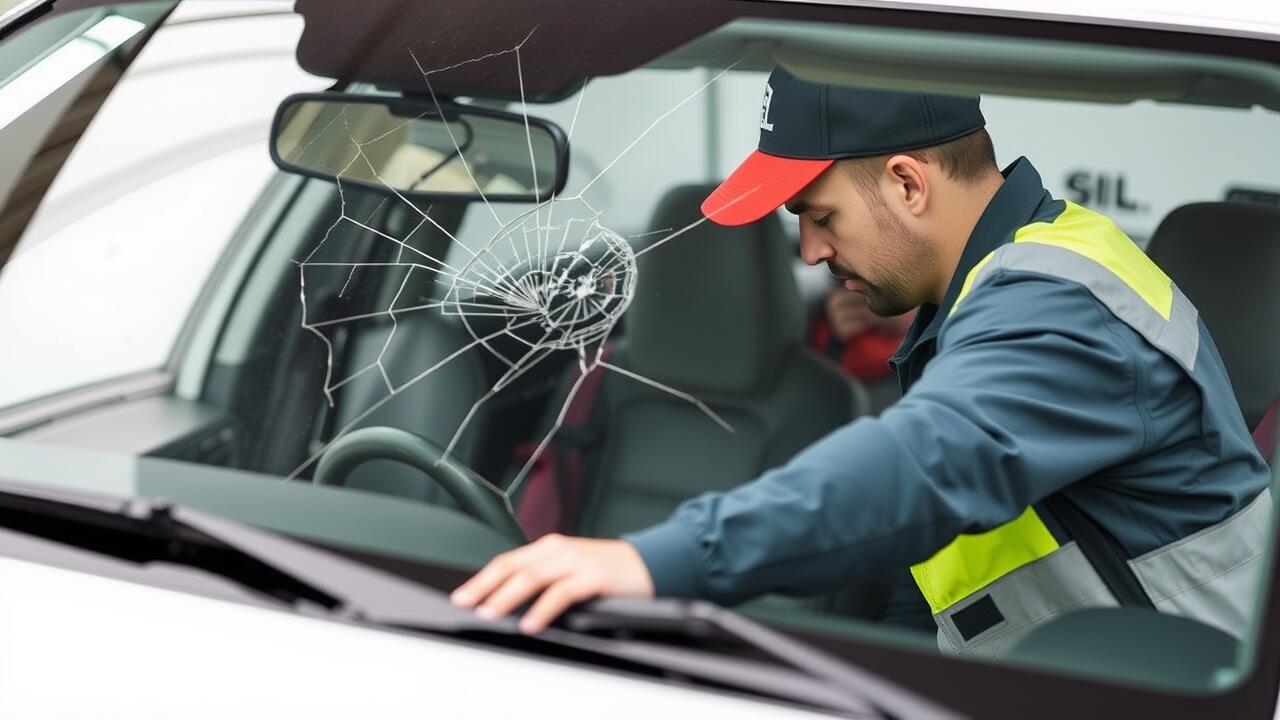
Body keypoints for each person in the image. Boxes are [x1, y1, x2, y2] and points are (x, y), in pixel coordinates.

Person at [451, 67, 1272, 658]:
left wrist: (649, 560)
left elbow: (930, 462)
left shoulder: (1057, 303)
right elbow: (948, 589)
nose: (807, 252)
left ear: (909, 184)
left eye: (819, 214)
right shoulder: (968, 303)